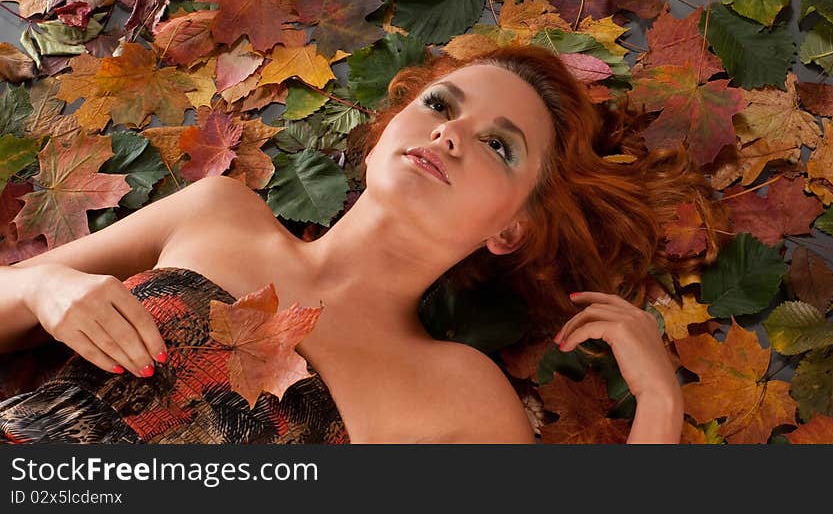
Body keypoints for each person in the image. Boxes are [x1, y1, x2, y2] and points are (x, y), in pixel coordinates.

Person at [0, 44, 727, 443]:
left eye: (499, 147)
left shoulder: (460, 395)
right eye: (440, 106)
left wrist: (659, 407)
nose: (448, 134)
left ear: (513, 228)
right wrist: (40, 286)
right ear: (385, 135)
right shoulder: (220, 212)